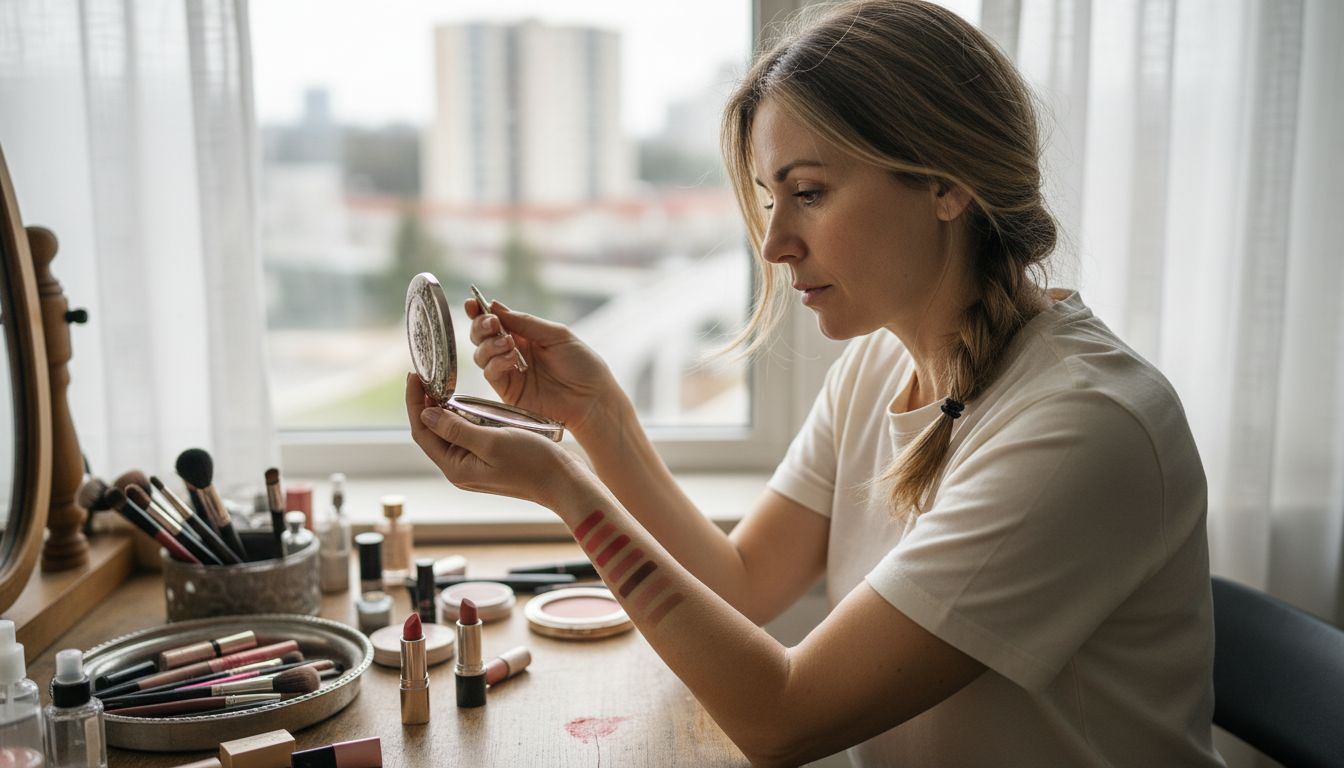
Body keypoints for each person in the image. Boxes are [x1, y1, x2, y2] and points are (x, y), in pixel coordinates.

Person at [405, 1, 1224, 765]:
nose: (775, 244)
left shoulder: (1083, 427)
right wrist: (598, 417)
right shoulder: (878, 366)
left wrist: (564, 487)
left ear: (948, 182)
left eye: (810, 193)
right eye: (770, 198)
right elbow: (741, 586)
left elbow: (781, 718)